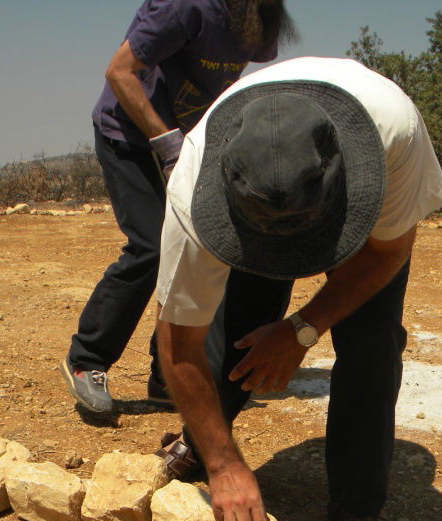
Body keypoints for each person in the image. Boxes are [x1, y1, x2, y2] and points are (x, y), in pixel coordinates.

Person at [153, 56, 442, 521]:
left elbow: (388, 251)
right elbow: (179, 340)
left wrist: (301, 330)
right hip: (248, 202)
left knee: (372, 342)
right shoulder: (192, 187)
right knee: (241, 330)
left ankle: (357, 506)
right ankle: (206, 446)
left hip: (350, 193)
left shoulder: (393, 133)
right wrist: (226, 464)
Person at [62, 0, 296, 414]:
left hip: (190, 141)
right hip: (130, 135)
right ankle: (87, 360)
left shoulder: (261, 12)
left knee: (196, 249)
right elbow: (119, 71)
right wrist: (167, 144)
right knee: (152, 247)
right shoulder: (185, 5)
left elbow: (228, 78)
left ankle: (165, 375)